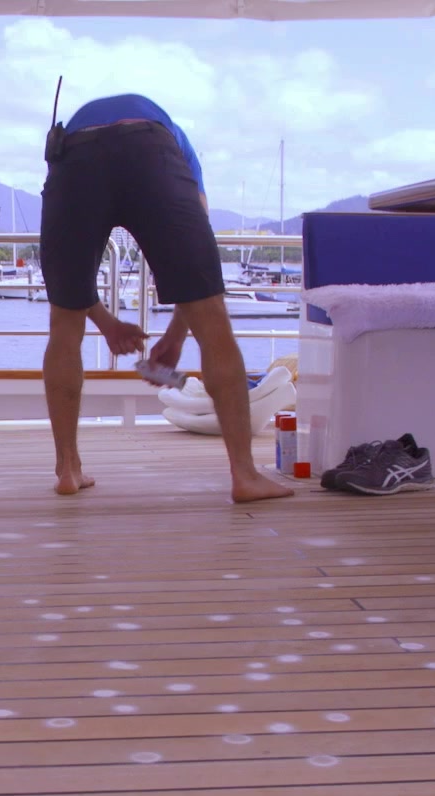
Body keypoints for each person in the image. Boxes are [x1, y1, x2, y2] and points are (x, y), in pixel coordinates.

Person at [39, 93, 293, 503]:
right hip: (148, 149)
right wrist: (175, 338)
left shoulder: (79, 134)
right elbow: (197, 275)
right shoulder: (176, 141)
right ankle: (245, 476)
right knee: (212, 321)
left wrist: (107, 324)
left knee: (63, 327)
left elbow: (71, 291)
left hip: (74, 153)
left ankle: (67, 469)